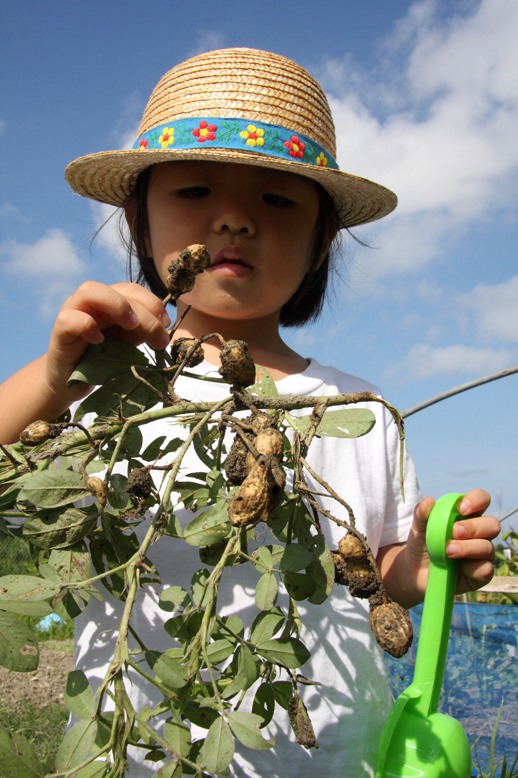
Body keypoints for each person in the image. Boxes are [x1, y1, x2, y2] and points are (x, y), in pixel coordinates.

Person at [0, 48, 499, 776]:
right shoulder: (105, 384)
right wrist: (54, 379)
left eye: (277, 200)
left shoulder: (360, 408)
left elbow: (370, 566)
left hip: (332, 758)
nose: (234, 218)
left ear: (321, 240)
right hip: (139, 752)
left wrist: (419, 567)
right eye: (197, 190)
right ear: (141, 225)